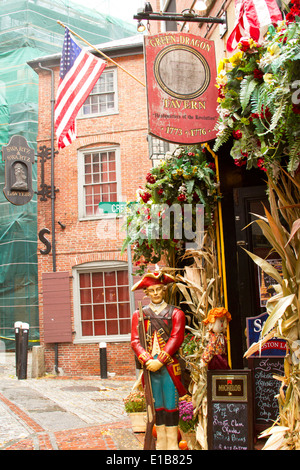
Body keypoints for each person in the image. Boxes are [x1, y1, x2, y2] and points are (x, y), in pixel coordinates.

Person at [131, 270, 186, 450]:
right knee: (157, 407)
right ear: (146, 293)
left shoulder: (176, 313)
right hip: (150, 368)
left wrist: (160, 360)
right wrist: (147, 359)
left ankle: (172, 444)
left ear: (164, 291)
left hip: (169, 366)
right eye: (151, 291)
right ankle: (160, 442)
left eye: (159, 290)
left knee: (171, 404)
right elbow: (135, 341)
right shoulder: (139, 315)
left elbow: (176, 338)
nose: (155, 294)